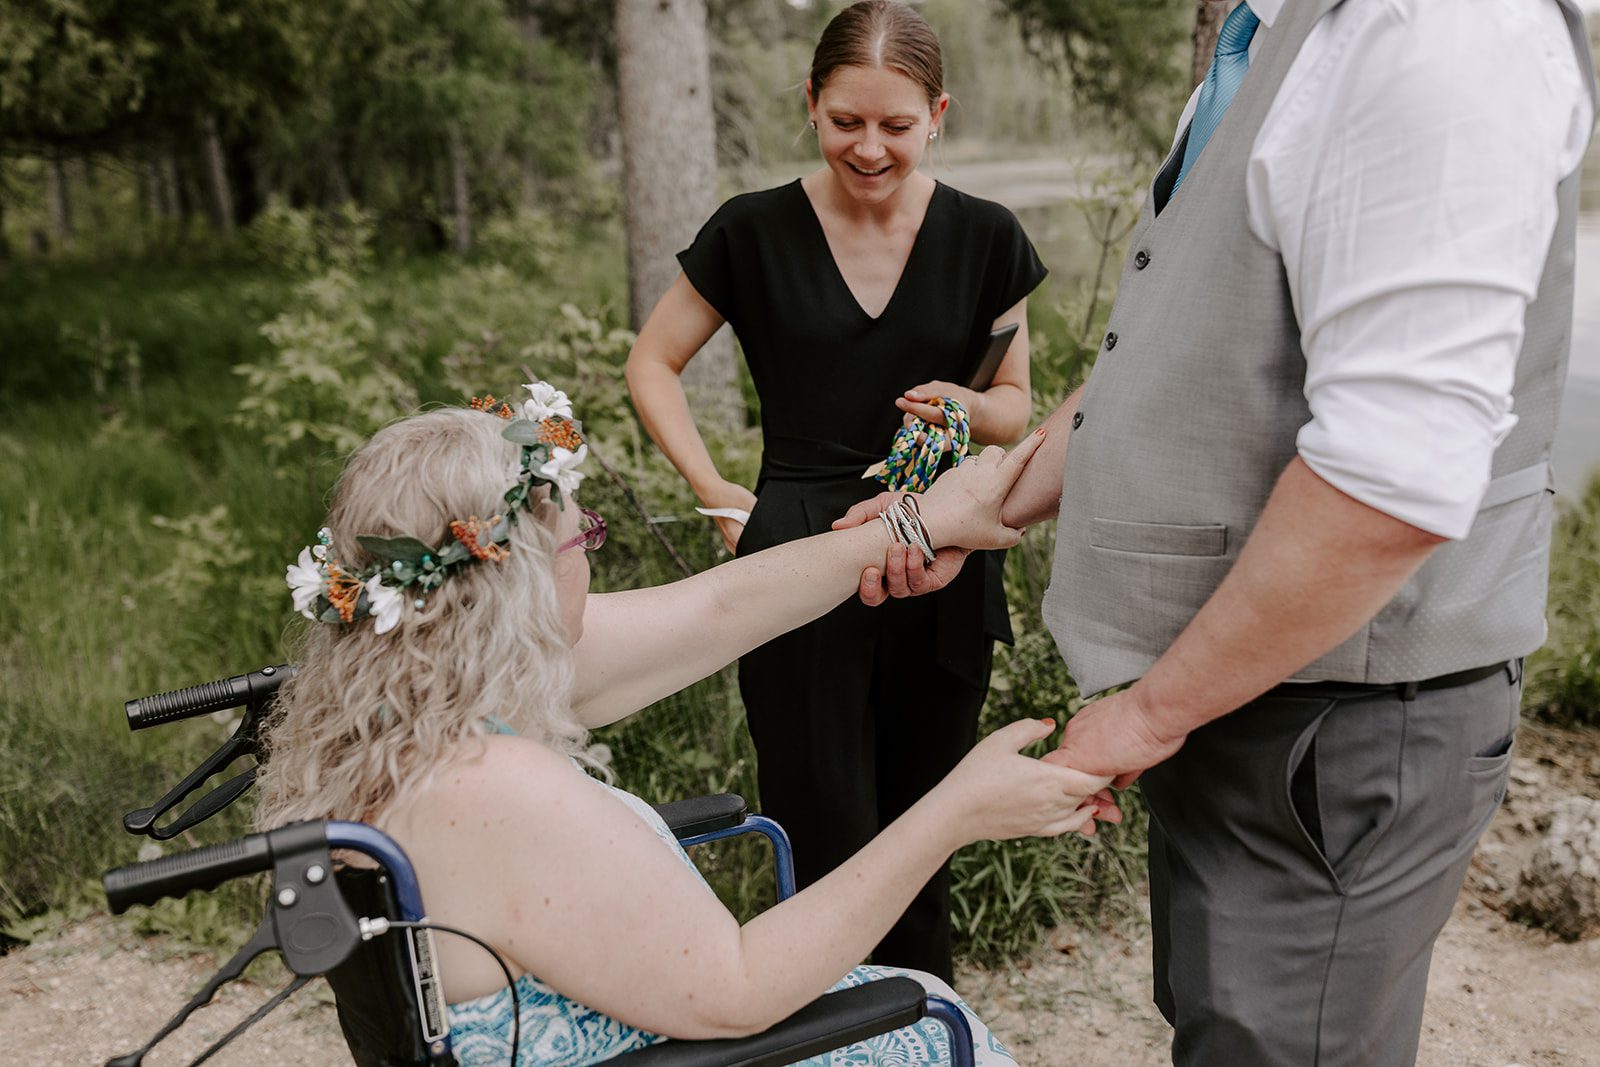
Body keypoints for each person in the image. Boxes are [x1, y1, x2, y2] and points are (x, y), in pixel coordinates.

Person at [838, 1, 1598, 1063]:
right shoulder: (1273, 35)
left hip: (1340, 722)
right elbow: (1176, 350)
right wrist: (990, 500)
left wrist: (1147, 714)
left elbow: (1394, 477)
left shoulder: (1440, 30)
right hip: (1250, 688)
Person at [255, 387, 1107, 1065]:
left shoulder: (418, 704)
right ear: (512, 583)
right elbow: (735, 988)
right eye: (578, 535)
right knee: (925, 1016)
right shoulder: (493, 785)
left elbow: (718, 608)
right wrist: (955, 810)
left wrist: (917, 523)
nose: (590, 547)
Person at [624, 0, 1047, 981]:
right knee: (823, 840)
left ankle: (920, 1024)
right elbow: (652, 362)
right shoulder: (751, 231)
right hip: (793, 558)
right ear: (810, 103)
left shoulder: (986, 237)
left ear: (937, 113)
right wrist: (715, 489)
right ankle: (823, 1036)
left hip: (939, 553)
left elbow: (1016, 405)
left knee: (922, 839)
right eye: (845, 120)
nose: (869, 146)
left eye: (895, 124)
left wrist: (959, 407)